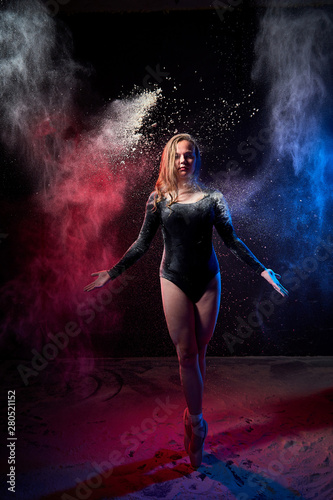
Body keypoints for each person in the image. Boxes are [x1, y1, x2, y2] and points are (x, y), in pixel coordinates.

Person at [84, 133, 288, 469]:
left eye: (189, 155)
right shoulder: (158, 200)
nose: (183, 160)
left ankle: (192, 416)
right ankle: (196, 423)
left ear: (196, 159)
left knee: (201, 350)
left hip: (208, 280)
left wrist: (262, 270)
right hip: (173, 279)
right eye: (178, 155)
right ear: (169, 159)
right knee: (186, 354)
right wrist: (113, 271)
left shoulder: (213, 198)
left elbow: (232, 240)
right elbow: (142, 243)